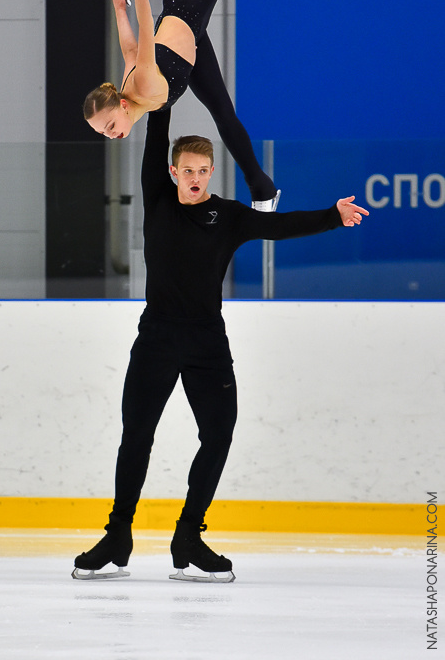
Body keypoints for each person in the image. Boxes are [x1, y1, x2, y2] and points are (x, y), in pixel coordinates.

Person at [72, 107, 369, 583]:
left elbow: (279, 226)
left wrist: (332, 216)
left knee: (218, 434)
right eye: (186, 170)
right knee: (136, 437)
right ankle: (118, 536)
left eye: (202, 171)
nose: (193, 178)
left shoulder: (228, 216)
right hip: (157, 338)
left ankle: (188, 536)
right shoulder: (158, 198)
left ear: (212, 172)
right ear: (172, 172)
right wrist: (161, 98)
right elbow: (155, 137)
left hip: (207, 342)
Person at [86, 0, 280, 211]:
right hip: (192, 46)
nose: (111, 134)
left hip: (188, 6)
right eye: (104, 132)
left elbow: (146, 26)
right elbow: (129, 50)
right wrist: (117, 10)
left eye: (110, 125)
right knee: (223, 114)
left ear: (122, 108)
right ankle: (261, 189)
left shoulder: (142, 85)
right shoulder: (127, 90)